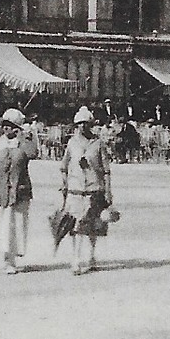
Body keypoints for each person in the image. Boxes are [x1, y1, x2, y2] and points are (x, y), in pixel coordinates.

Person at [60, 106, 114, 275]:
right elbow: (63, 166)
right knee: (75, 226)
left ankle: (91, 257)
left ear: (91, 124)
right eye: (79, 124)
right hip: (75, 190)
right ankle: (76, 259)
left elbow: (106, 170)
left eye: (86, 123)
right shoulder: (71, 143)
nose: (83, 127)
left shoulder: (98, 144)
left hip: (94, 189)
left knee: (92, 226)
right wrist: (65, 184)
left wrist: (108, 190)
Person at [0, 108, 38, 275]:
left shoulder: (23, 142)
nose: (6, 128)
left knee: (15, 224)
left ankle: (12, 260)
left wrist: (25, 136)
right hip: (0, 190)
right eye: (5, 124)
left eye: (10, 125)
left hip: (19, 189)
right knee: (0, 225)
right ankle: (4, 258)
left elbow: (32, 153)